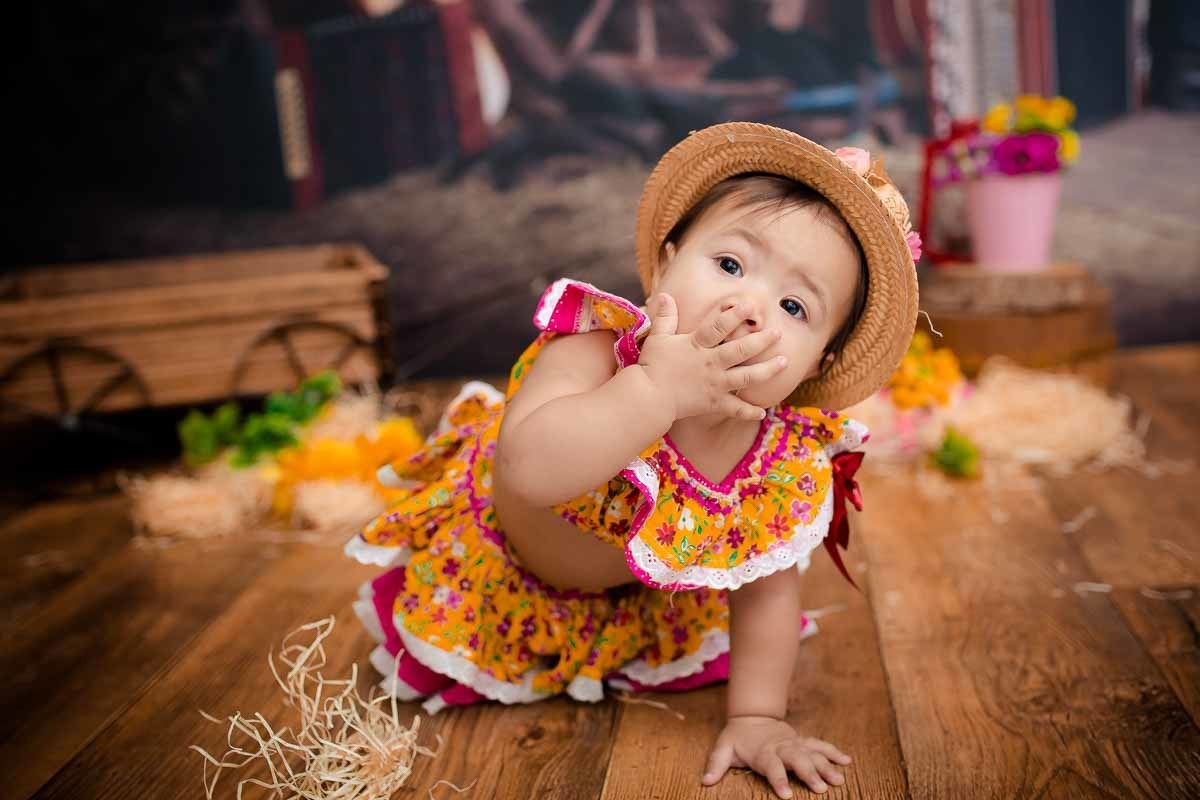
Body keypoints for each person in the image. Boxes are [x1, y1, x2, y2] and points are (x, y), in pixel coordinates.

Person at [344, 121, 920, 798]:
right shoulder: (593, 350)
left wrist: (759, 717)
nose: (749, 307)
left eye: (794, 306)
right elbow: (528, 472)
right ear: (667, 264)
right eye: (729, 265)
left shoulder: (774, 458)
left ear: (816, 364)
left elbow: (765, 588)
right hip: (507, 565)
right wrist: (652, 393)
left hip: (631, 600)